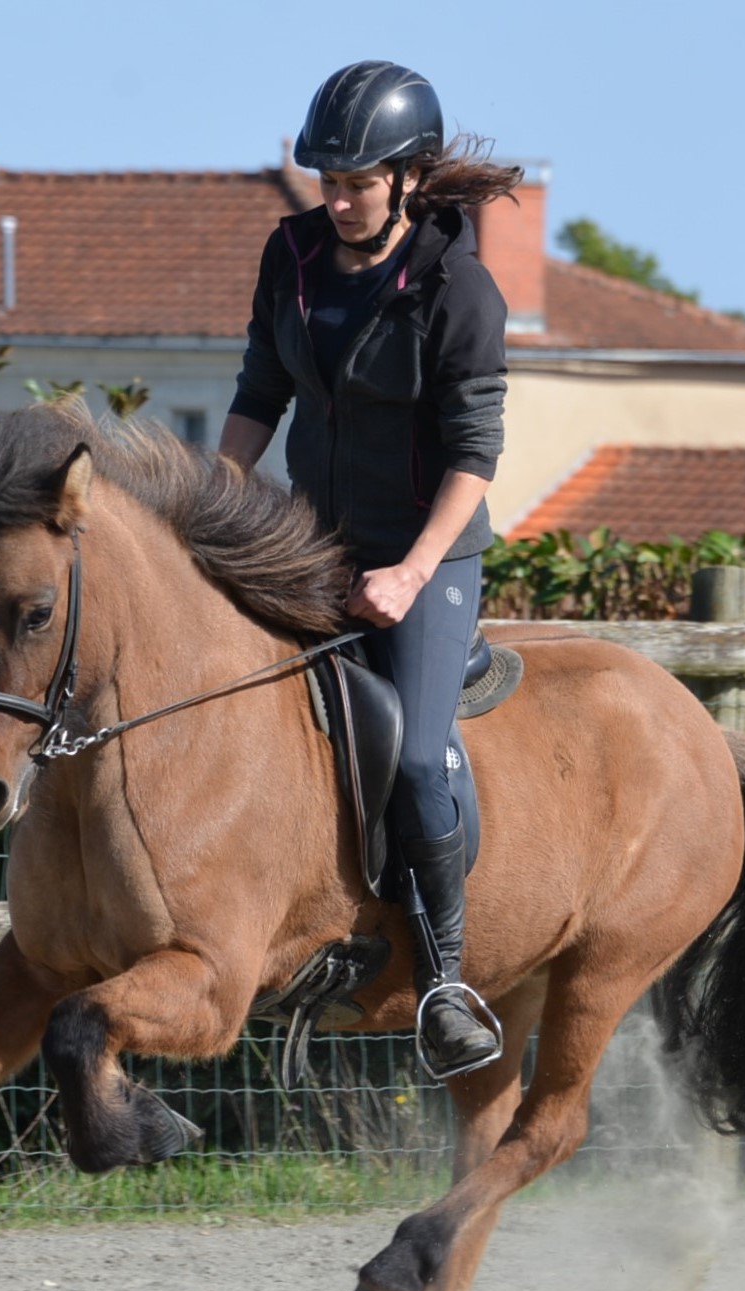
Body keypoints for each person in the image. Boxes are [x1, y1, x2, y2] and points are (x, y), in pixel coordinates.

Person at [218, 60, 522, 1078]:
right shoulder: (291, 256)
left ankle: (444, 978)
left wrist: (407, 573)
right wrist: (208, 504)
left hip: (424, 561)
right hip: (310, 545)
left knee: (414, 753)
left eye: (356, 182)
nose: (336, 199)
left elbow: (474, 455)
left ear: (407, 177)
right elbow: (260, 390)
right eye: (326, 181)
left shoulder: (457, 289)